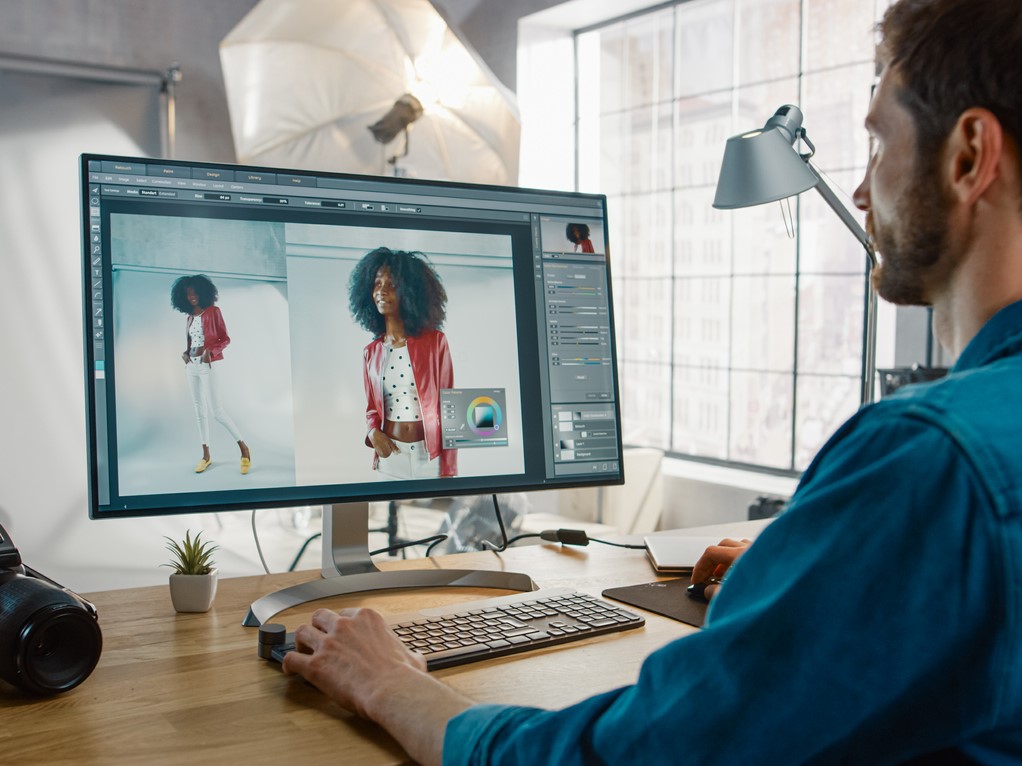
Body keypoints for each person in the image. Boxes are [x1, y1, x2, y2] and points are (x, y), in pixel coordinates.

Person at [281, 0, 1022, 761]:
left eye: (876, 142)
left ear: (968, 155)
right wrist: (816, 572)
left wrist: (392, 685)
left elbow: (636, 753)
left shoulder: (935, 458)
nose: (861, 193)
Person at [349, 247, 456, 479]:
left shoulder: (435, 342)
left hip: (428, 456)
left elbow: (450, 408)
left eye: (392, 285)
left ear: (410, 292)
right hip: (390, 456)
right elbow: (371, 409)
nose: (382, 291)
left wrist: (449, 468)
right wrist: (372, 433)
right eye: (377, 284)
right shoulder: (371, 353)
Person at [170, 274, 251, 475]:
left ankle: (244, 449)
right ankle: (206, 456)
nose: (192, 297)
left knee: (217, 412)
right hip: (191, 366)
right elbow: (193, 342)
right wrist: (185, 353)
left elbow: (225, 339)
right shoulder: (189, 317)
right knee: (199, 411)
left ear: (203, 292)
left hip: (208, 365)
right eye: (188, 294)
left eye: (195, 292)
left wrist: (210, 352)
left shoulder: (214, 312)